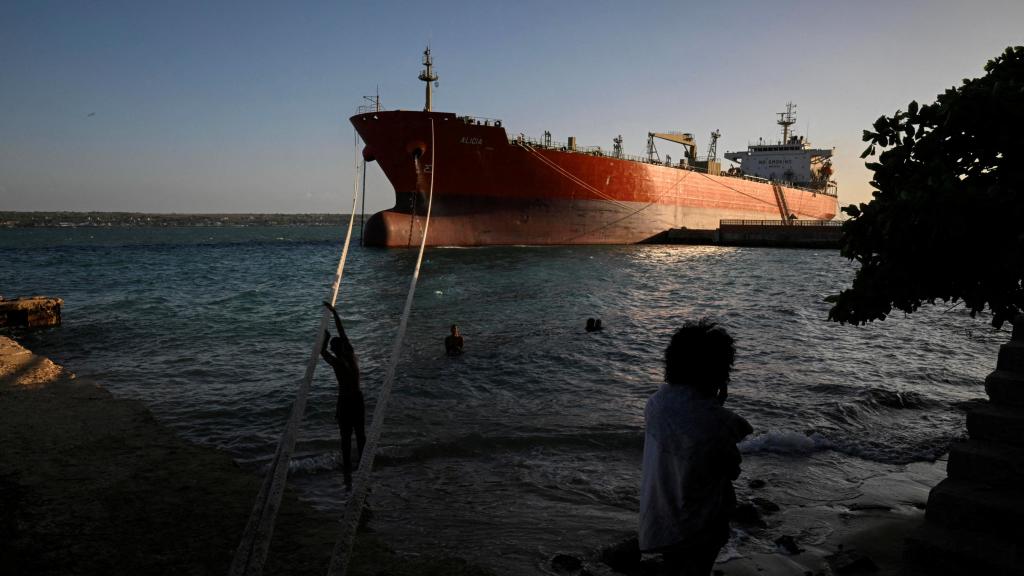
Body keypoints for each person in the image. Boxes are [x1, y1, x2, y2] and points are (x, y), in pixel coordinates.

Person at [639, 320, 752, 575]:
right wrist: (717, 405)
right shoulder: (719, 421)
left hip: (661, 515)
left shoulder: (655, 404)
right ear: (720, 370)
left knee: (674, 567)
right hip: (701, 522)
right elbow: (731, 469)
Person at [321, 301, 366, 489]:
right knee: (359, 434)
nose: (332, 350)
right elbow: (342, 333)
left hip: (347, 402)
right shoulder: (350, 355)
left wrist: (325, 338)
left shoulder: (338, 362)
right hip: (356, 399)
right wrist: (334, 314)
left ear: (335, 349)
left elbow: (323, 352)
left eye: (333, 347)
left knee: (347, 436)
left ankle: (349, 467)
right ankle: (360, 464)